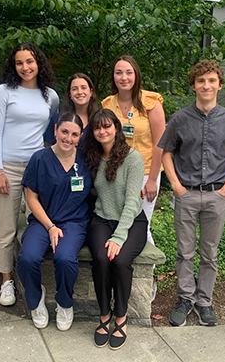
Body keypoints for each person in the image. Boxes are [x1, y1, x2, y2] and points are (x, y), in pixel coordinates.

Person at [158, 60, 225, 327]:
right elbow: (166, 153)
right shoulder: (180, 118)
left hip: (216, 195)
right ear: (193, 86)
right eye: (201, 81)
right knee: (185, 252)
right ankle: (185, 298)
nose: (206, 85)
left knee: (210, 253)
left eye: (211, 80)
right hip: (186, 194)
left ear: (220, 85)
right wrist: (175, 185)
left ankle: (204, 302)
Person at [0, 43, 59, 306]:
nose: (25, 67)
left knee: (37, 222)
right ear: (13, 66)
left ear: (38, 63)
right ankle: (6, 280)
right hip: (7, 166)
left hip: (36, 167)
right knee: (7, 226)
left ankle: (33, 274)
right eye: (19, 63)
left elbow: (51, 131)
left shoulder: (49, 96)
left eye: (29, 61)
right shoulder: (5, 92)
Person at [17, 112, 91, 331]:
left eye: (74, 134)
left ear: (81, 136)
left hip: (73, 222)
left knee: (65, 258)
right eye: (64, 131)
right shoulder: (39, 158)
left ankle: (65, 303)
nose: (68, 138)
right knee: (27, 258)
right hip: (42, 220)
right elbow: (31, 198)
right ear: (56, 129)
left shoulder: (86, 160)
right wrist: (49, 226)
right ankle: (36, 300)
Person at [84, 109, 147, 350]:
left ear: (117, 128)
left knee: (119, 260)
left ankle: (121, 316)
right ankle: (104, 314)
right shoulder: (92, 156)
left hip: (131, 222)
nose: (102, 131)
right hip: (101, 219)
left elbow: (132, 201)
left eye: (107, 126)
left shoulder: (133, 158)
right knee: (100, 258)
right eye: (97, 128)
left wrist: (119, 237)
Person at [102, 56, 166, 245]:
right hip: (116, 172)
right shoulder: (107, 104)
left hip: (145, 172)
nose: (124, 77)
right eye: (119, 72)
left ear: (136, 75)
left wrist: (153, 179)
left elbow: (160, 143)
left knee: (140, 225)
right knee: (119, 222)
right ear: (113, 77)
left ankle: (147, 273)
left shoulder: (151, 103)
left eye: (129, 72)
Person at [44, 73, 98, 145]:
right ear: (70, 94)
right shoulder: (57, 120)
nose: (79, 92)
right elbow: (49, 150)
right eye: (74, 89)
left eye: (83, 87)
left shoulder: (99, 120)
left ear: (91, 92)